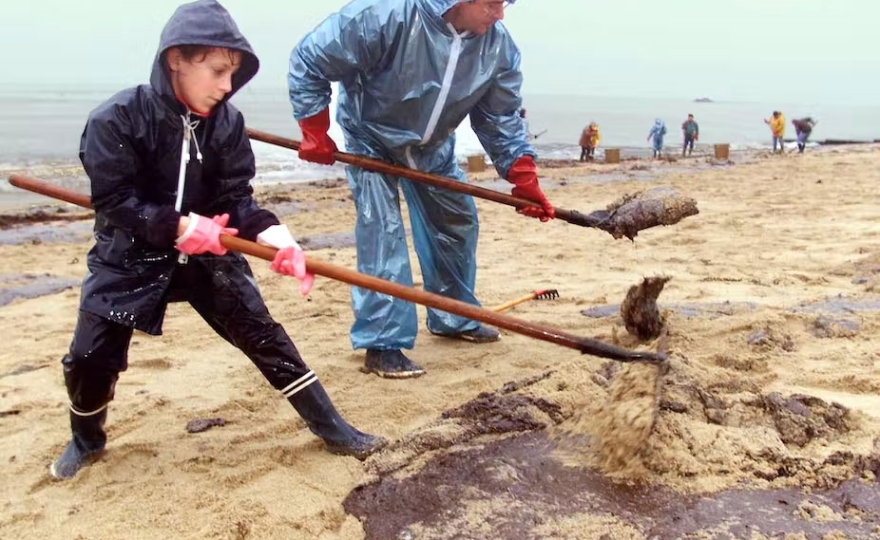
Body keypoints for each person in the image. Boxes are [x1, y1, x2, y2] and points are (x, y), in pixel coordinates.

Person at [50, 0, 386, 480]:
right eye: (217, 71)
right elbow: (115, 201)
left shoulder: (227, 124)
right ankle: (86, 439)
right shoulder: (117, 119)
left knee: (265, 336)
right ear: (176, 59)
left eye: (232, 74)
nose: (227, 86)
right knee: (89, 357)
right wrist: (180, 226)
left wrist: (278, 238)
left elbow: (237, 199)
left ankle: (334, 429)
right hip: (130, 256)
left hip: (209, 257)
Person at [288, 0, 556, 379]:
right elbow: (311, 57)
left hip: (433, 148)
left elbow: (499, 116)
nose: (500, 15)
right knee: (383, 230)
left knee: (456, 222)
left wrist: (522, 176)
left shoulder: (498, 48)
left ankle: (454, 316)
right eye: (493, 4)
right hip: (370, 140)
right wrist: (315, 127)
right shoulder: (386, 15)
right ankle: (383, 343)